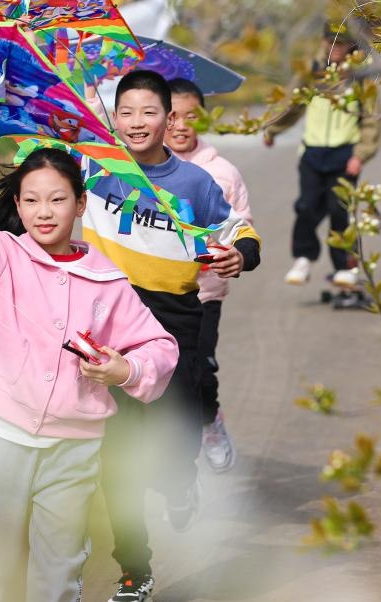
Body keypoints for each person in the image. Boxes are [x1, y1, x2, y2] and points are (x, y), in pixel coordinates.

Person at [0, 81, 179, 602]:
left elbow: (160, 346)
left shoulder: (107, 281)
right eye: (32, 200)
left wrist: (124, 370)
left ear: (81, 203)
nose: (44, 211)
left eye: (58, 199)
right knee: (1, 564)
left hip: (75, 447)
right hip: (1, 436)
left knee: (61, 566)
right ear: (17, 206)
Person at [82, 70, 261, 602]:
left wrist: (239, 255)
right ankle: (135, 571)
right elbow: (41, 184)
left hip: (174, 325)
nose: (137, 123)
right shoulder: (95, 167)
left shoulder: (195, 184)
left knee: (176, 440)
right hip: (106, 327)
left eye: (149, 112)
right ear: (115, 117)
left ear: (169, 118)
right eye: (127, 112)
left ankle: (181, 480)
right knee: (117, 461)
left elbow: (242, 233)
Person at [167, 77, 254, 473]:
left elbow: (241, 227)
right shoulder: (137, 167)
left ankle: (209, 422)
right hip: (149, 289)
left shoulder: (223, 173)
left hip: (203, 294)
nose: (181, 125)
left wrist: (237, 253)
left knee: (199, 367)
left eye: (191, 116)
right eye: (170, 116)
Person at [263, 24, 381, 288]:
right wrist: (272, 129)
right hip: (313, 151)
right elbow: (292, 104)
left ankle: (344, 266)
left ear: (351, 45)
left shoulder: (359, 76)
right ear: (324, 42)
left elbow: (372, 119)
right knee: (306, 206)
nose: (336, 49)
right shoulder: (312, 72)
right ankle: (303, 257)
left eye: (342, 44)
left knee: (339, 210)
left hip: (345, 153)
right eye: (332, 43)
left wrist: (361, 155)